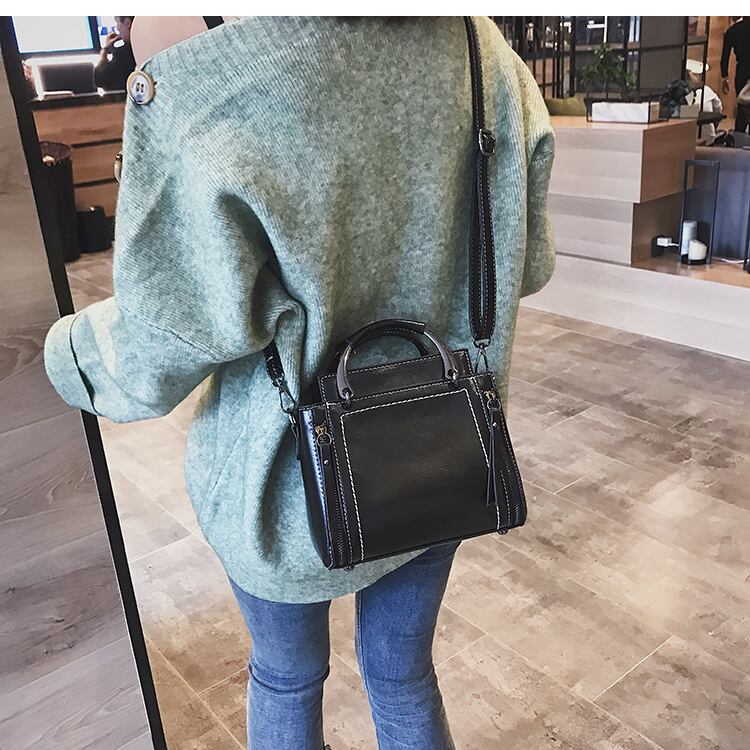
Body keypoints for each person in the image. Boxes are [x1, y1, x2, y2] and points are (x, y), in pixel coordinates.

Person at [44, 17, 555, 749]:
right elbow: (525, 265)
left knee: (286, 678)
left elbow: (164, 340)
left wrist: (59, 352)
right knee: (404, 676)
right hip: (441, 450)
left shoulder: (216, 62)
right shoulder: (488, 55)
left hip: (280, 481)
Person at [721, 15, 750, 133]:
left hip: (742, 71)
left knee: (742, 109)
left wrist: (725, 76)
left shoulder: (733, 30)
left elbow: (725, 56)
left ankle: (739, 136)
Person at [685, 59, 723, 143]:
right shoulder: (707, 90)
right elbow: (718, 112)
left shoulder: (677, 95)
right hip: (708, 139)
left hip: (685, 142)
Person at [94, 15, 135, 91]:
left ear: (127, 23)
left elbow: (100, 80)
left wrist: (105, 50)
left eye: (117, 22)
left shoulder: (123, 53)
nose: (117, 28)